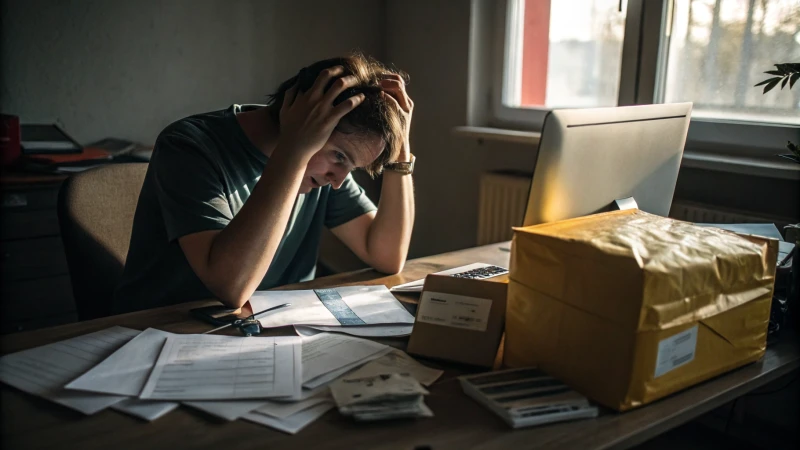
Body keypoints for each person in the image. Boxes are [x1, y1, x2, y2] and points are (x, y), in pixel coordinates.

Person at [112, 53, 415, 313]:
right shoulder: (190, 148)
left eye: (351, 166)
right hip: (161, 330)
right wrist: (294, 152)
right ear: (303, 119)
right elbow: (232, 288)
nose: (338, 181)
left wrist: (400, 154)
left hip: (267, 326)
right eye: (339, 157)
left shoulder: (323, 171)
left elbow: (387, 256)